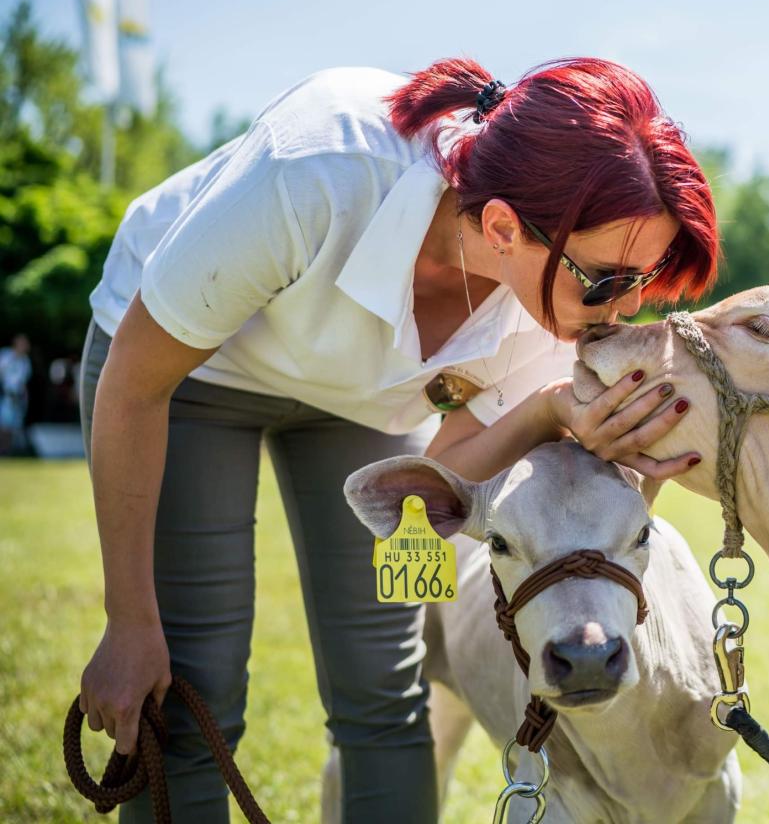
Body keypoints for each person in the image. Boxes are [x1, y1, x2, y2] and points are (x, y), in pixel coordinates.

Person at [77, 57, 717, 822]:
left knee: (384, 688)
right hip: (186, 378)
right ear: (504, 227)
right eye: (609, 280)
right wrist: (127, 621)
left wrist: (548, 411)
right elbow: (134, 384)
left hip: (359, 406)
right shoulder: (319, 167)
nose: (625, 309)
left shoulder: (553, 310)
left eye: (645, 279)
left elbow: (436, 484)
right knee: (191, 687)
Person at [0, 333, 32, 454]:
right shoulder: (5, 356)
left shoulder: (25, 362)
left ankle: (6, 452)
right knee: (3, 426)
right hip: (5, 395)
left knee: (12, 427)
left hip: (16, 397)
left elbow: (23, 382)